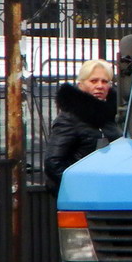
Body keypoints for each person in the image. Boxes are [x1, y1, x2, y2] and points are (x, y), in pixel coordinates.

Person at [44, 59, 121, 195]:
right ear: (81, 84)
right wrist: (80, 186)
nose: (100, 86)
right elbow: (53, 162)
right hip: (83, 193)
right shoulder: (69, 118)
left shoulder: (113, 116)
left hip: (111, 189)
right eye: (93, 81)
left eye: (104, 81)